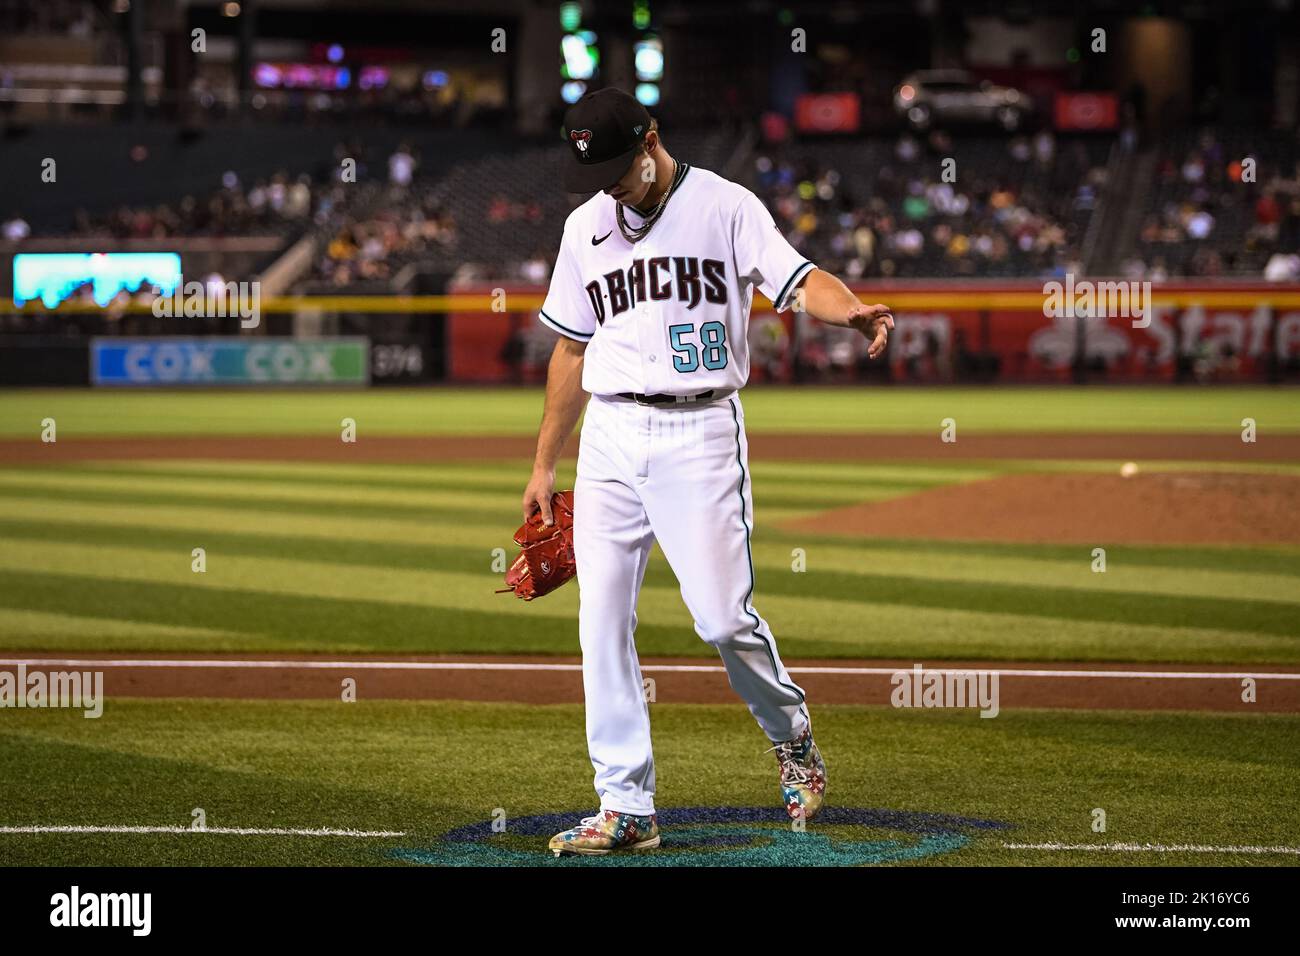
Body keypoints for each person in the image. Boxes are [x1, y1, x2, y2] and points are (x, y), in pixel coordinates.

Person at [523, 88, 893, 856]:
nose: (614, 185)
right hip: (611, 437)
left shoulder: (726, 207)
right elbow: (569, 349)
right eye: (601, 173)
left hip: (699, 432)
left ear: (653, 139)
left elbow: (799, 278)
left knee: (722, 619)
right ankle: (625, 804)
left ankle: (791, 734)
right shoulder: (584, 227)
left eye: (624, 168)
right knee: (600, 625)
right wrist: (544, 463)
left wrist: (853, 310)